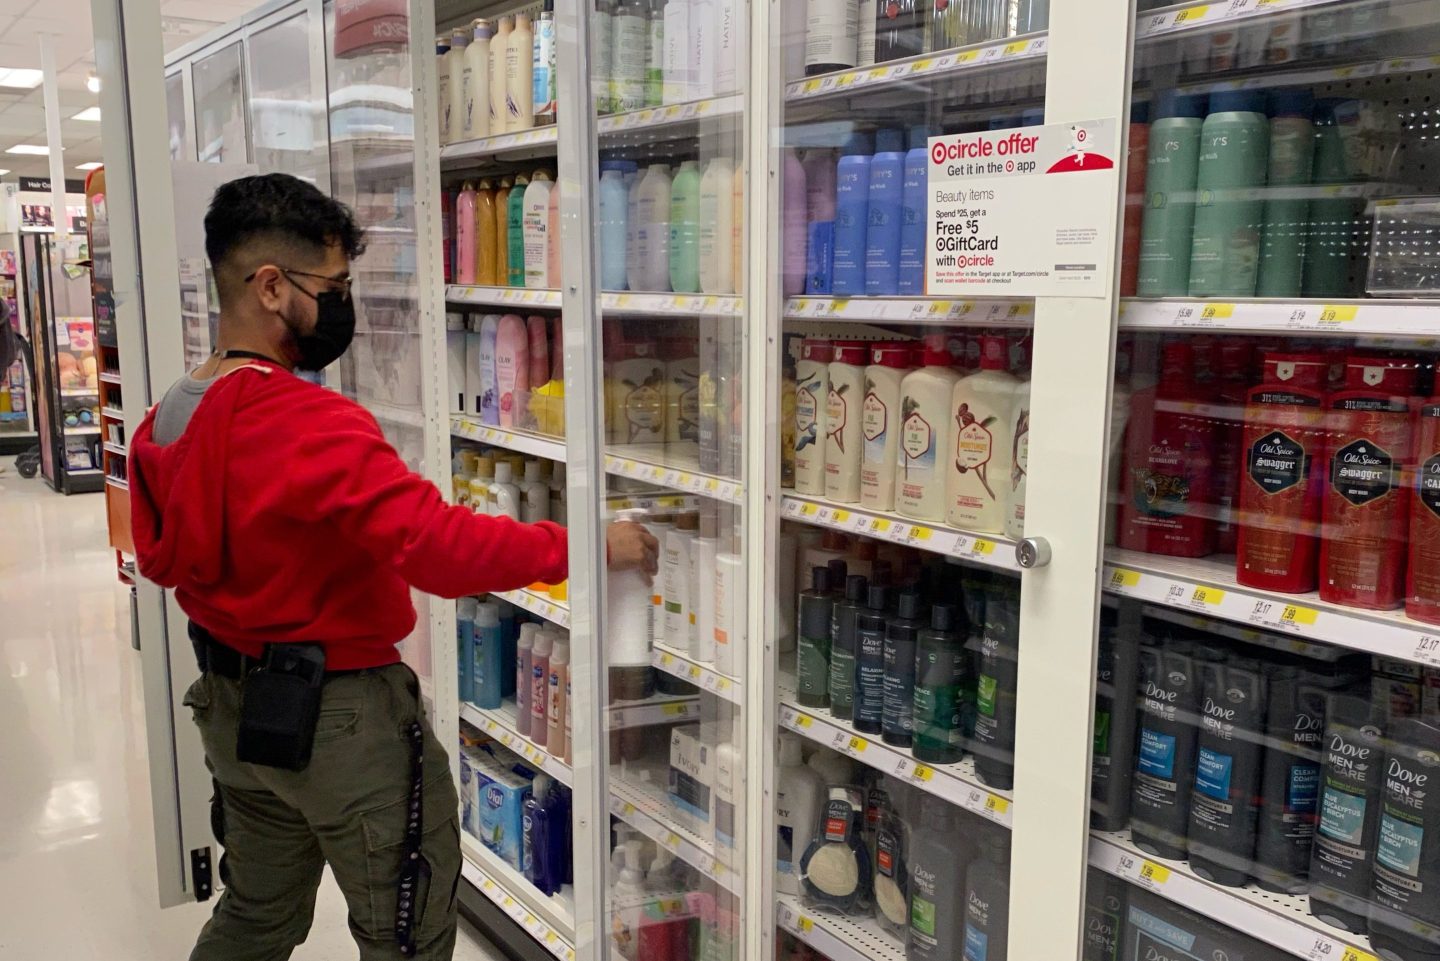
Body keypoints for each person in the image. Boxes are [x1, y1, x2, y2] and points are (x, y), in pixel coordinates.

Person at [128, 173, 657, 961]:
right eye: (333, 285)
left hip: (236, 708)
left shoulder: (172, 412)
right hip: (339, 721)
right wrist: (585, 544)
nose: (344, 303)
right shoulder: (314, 423)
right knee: (403, 933)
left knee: (256, 916)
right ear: (271, 287)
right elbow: (442, 551)